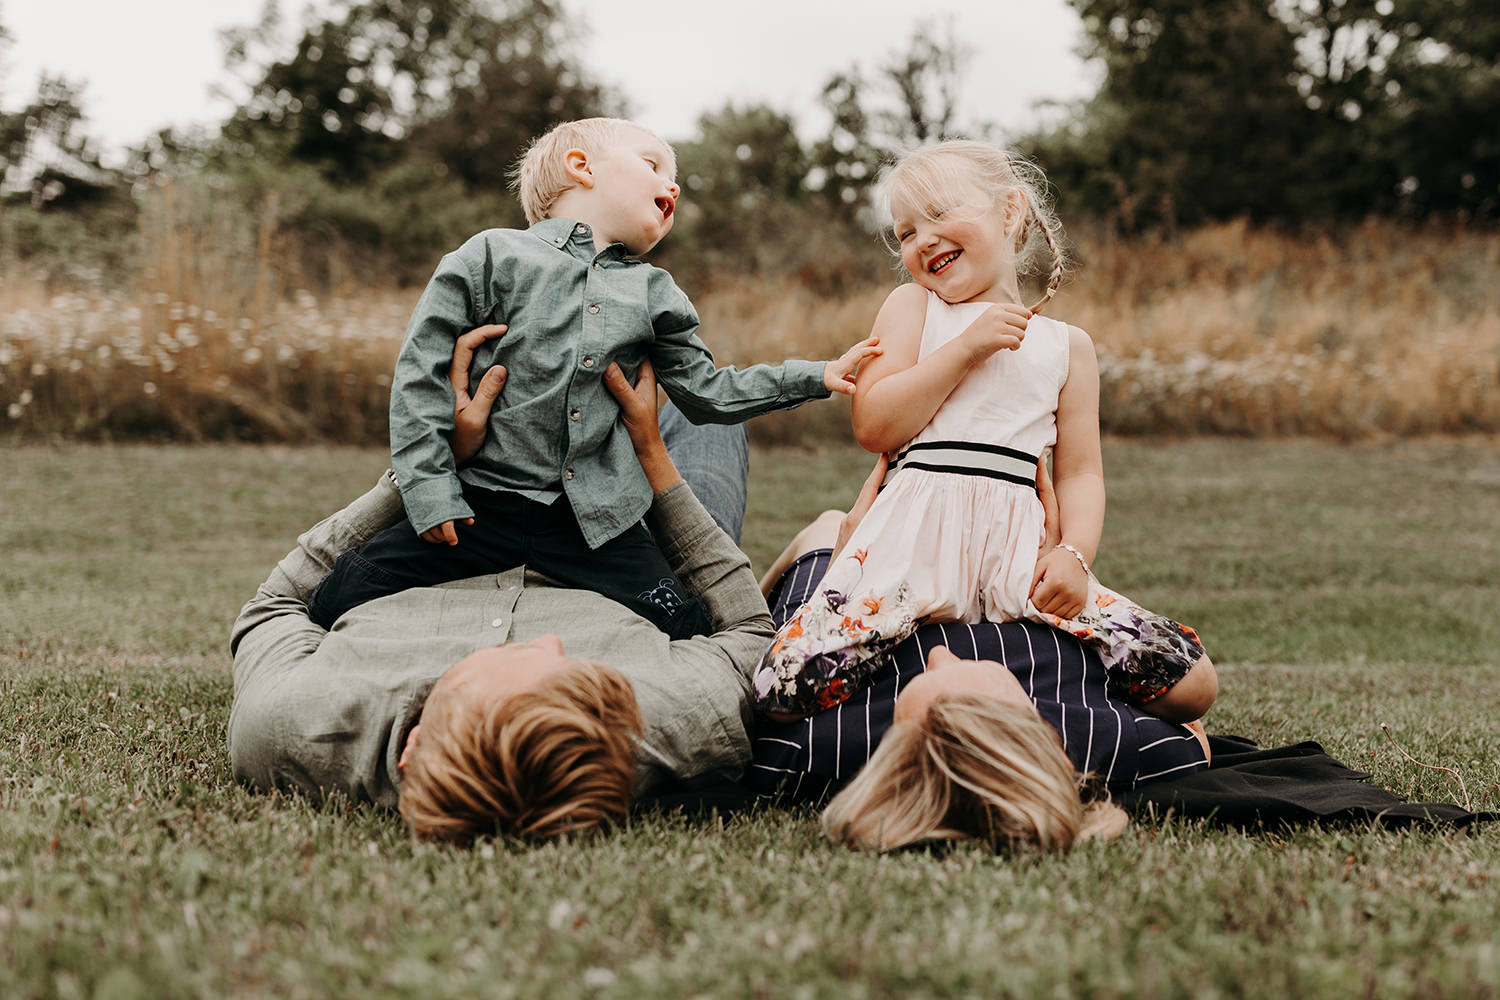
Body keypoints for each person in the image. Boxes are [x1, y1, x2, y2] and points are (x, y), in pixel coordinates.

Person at [307, 117, 879, 639]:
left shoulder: (657, 292)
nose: (673, 186)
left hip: (591, 524)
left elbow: (707, 391)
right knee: (334, 596)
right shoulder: (489, 256)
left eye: (675, 178)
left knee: (685, 619)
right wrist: (430, 491)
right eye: (654, 165)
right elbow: (420, 378)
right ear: (581, 167)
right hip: (477, 503)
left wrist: (818, 375)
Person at [229, 324, 774, 844]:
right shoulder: (659, 725)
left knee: (502, 361)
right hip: (630, 559)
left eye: (512, 659)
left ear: (413, 744)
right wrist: (652, 457)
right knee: (696, 387)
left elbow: (274, 605)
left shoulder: (287, 725)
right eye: (569, 667)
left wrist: (428, 467)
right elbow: (749, 632)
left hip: (438, 544)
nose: (552, 642)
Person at [752, 140, 1216, 722]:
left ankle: (997, 678)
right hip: (907, 555)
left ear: (1010, 211)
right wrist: (964, 349)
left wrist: (1074, 553)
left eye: (941, 214)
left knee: (1192, 682)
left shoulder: (1067, 346)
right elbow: (874, 424)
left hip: (1017, 560)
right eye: (905, 232)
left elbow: (1080, 472)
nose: (922, 240)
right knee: (782, 693)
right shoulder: (913, 309)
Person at [748, 459, 1213, 853]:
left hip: (856, 615)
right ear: (1024, 731)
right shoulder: (1091, 739)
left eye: (912, 692)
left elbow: (770, 699)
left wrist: (842, 581)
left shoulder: (810, 750)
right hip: (1010, 581)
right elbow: (1193, 735)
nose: (937, 657)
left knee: (830, 524)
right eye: (952, 668)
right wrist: (1069, 567)